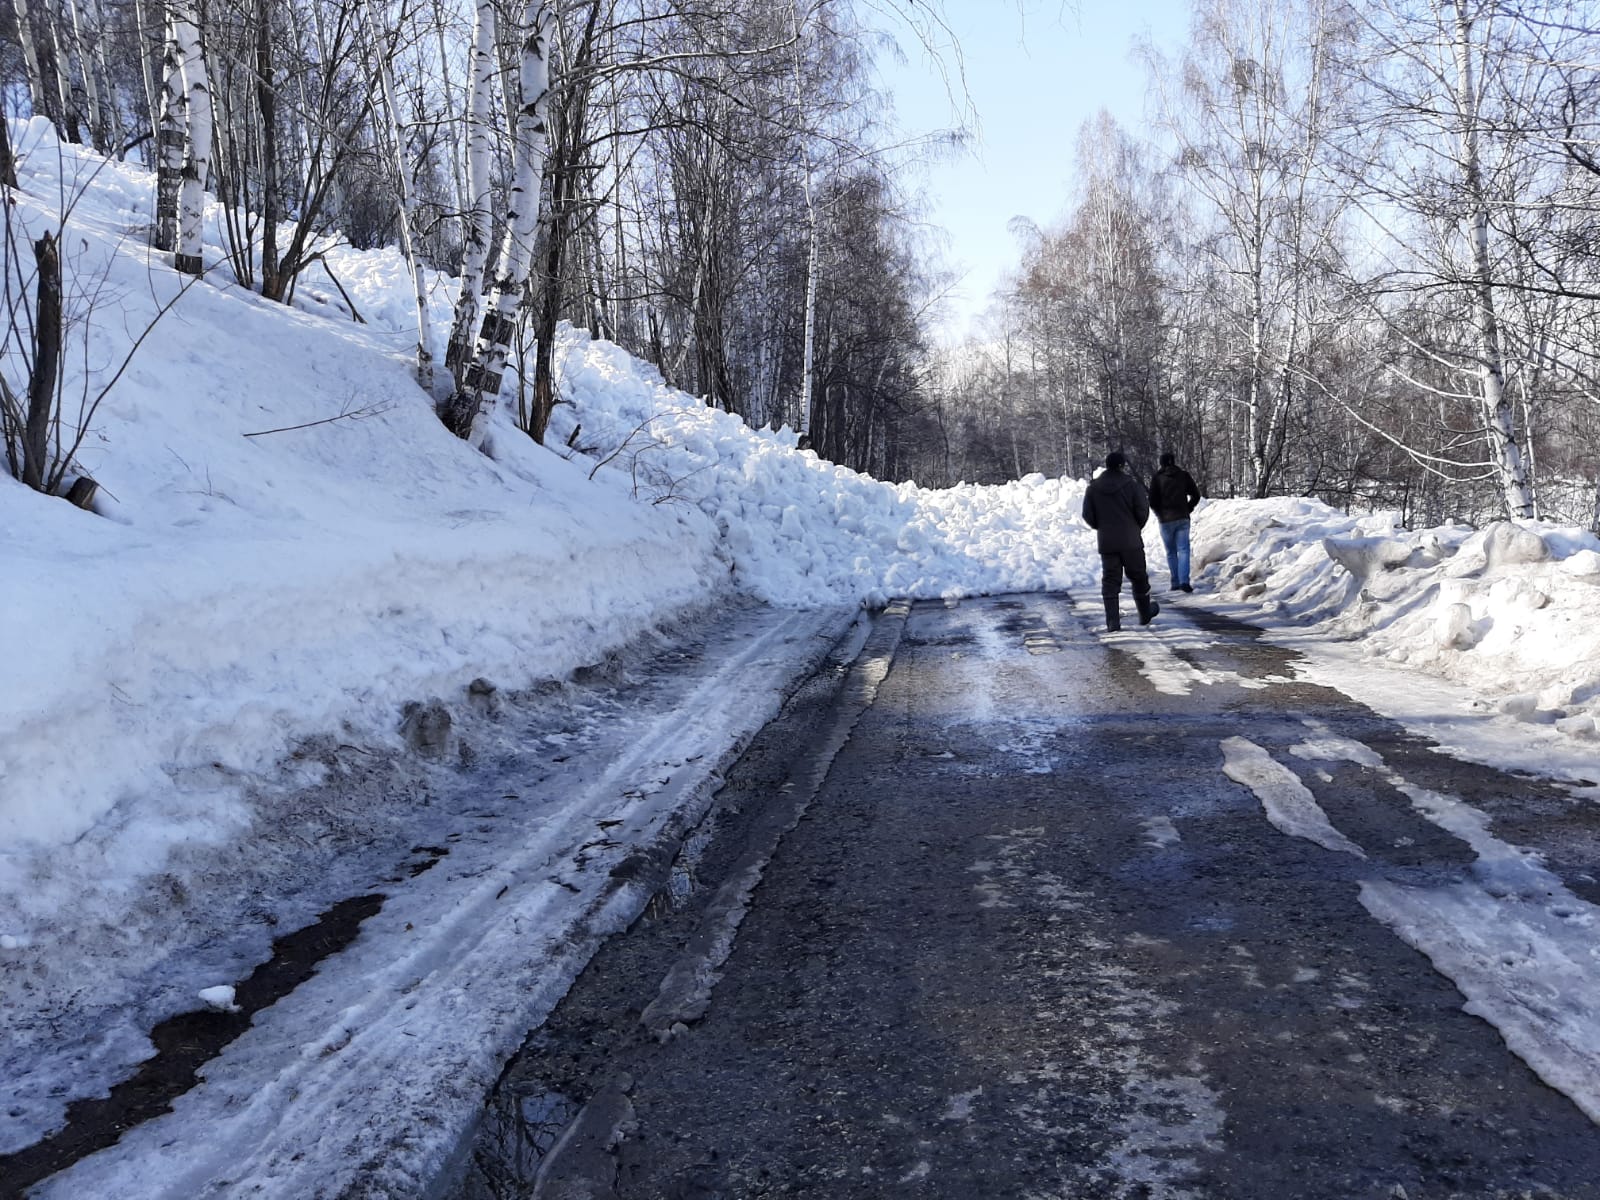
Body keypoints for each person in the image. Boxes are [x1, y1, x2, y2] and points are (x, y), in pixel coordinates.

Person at [1081, 451, 1158, 632]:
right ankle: (1145, 614)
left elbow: (1087, 514)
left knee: (1110, 580)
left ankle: (1113, 622)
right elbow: (1142, 510)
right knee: (1139, 577)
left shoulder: (1093, 488)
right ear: (1122, 465)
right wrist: (1135, 526)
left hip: (1107, 542)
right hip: (1131, 541)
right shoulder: (1131, 485)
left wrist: (1102, 527)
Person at [1146, 452, 1202, 593]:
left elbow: (1152, 501)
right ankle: (1184, 581)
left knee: (1171, 552)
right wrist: (1188, 508)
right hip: (1182, 518)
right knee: (1183, 550)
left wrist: (1160, 513)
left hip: (1165, 520)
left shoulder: (1157, 478)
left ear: (1161, 463)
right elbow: (1196, 495)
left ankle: (1175, 582)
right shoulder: (1183, 475)